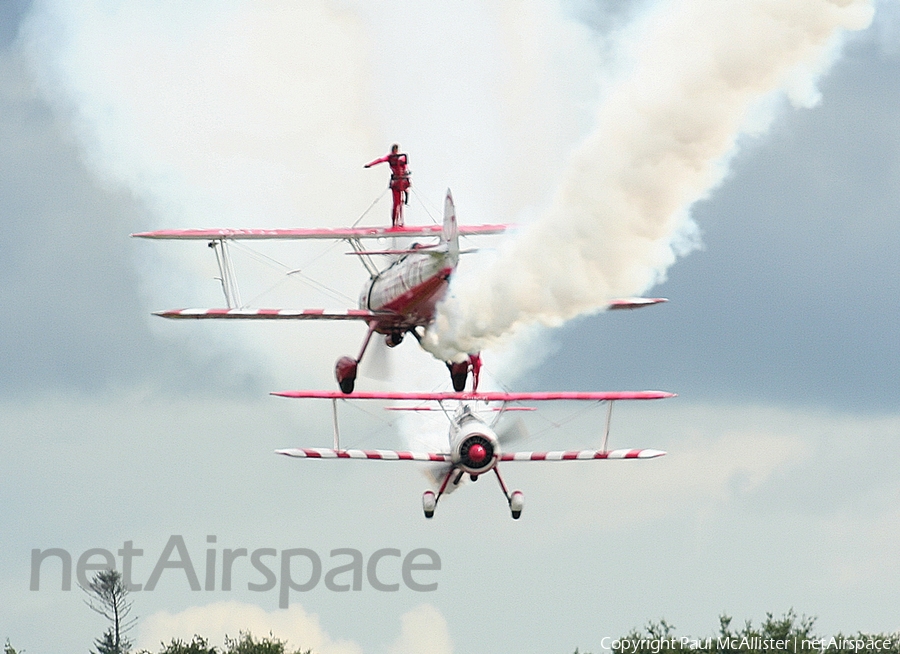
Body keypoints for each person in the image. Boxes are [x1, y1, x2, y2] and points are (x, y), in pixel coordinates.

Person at [364, 144, 411, 227]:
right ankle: (395, 223)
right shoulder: (392, 157)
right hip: (398, 182)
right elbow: (380, 160)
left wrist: (369, 165)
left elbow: (405, 167)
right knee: (397, 203)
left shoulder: (399, 157)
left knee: (400, 202)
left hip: (401, 181)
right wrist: (370, 164)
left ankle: (400, 221)